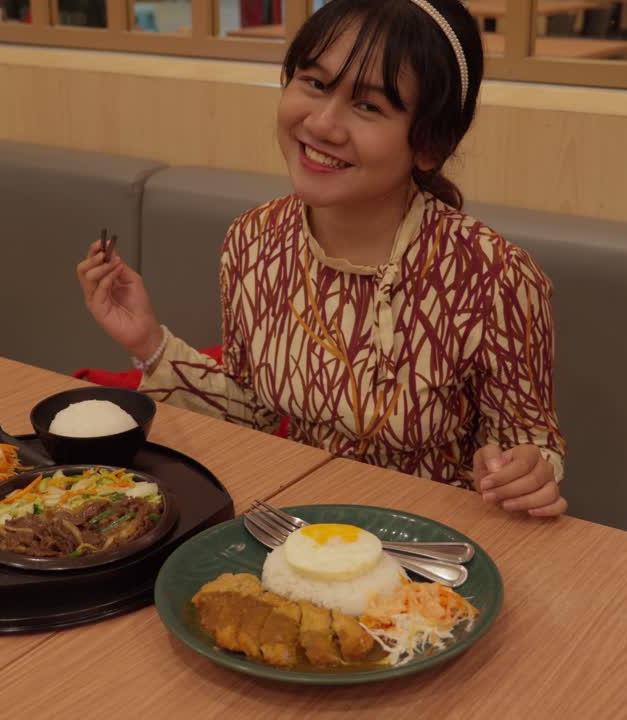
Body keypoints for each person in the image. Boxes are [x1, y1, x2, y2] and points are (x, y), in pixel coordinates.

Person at [78, 0, 568, 518]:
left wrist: (526, 471)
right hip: (296, 527)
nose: (323, 123)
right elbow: (256, 416)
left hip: (430, 548)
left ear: (429, 144)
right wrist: (148, 342)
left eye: (369, 106)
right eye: (314, 82)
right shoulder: (254, 240)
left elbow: (529, 443)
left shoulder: (496, 278)